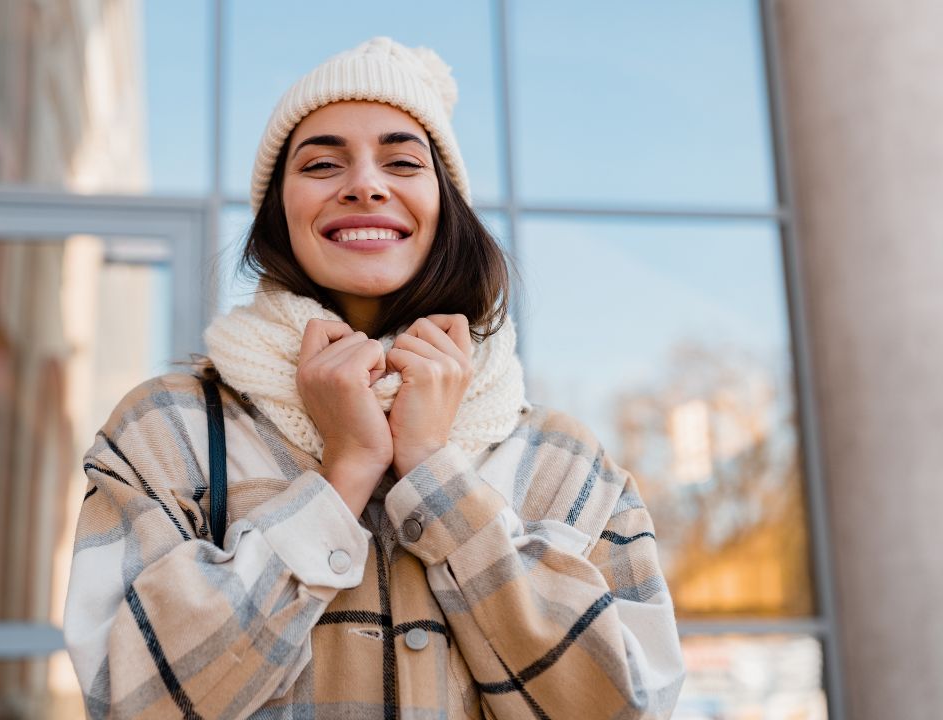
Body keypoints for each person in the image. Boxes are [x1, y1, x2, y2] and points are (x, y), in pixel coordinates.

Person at [64, 36, 685, 719]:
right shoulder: (165, 431)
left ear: (445, 205)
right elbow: (128, 700)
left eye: (402, 161)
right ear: (280, 211)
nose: (365, 184)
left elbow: (630, 706)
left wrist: (433, 474)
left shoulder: (565, 463)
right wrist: (345, 473)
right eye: (323, 162)